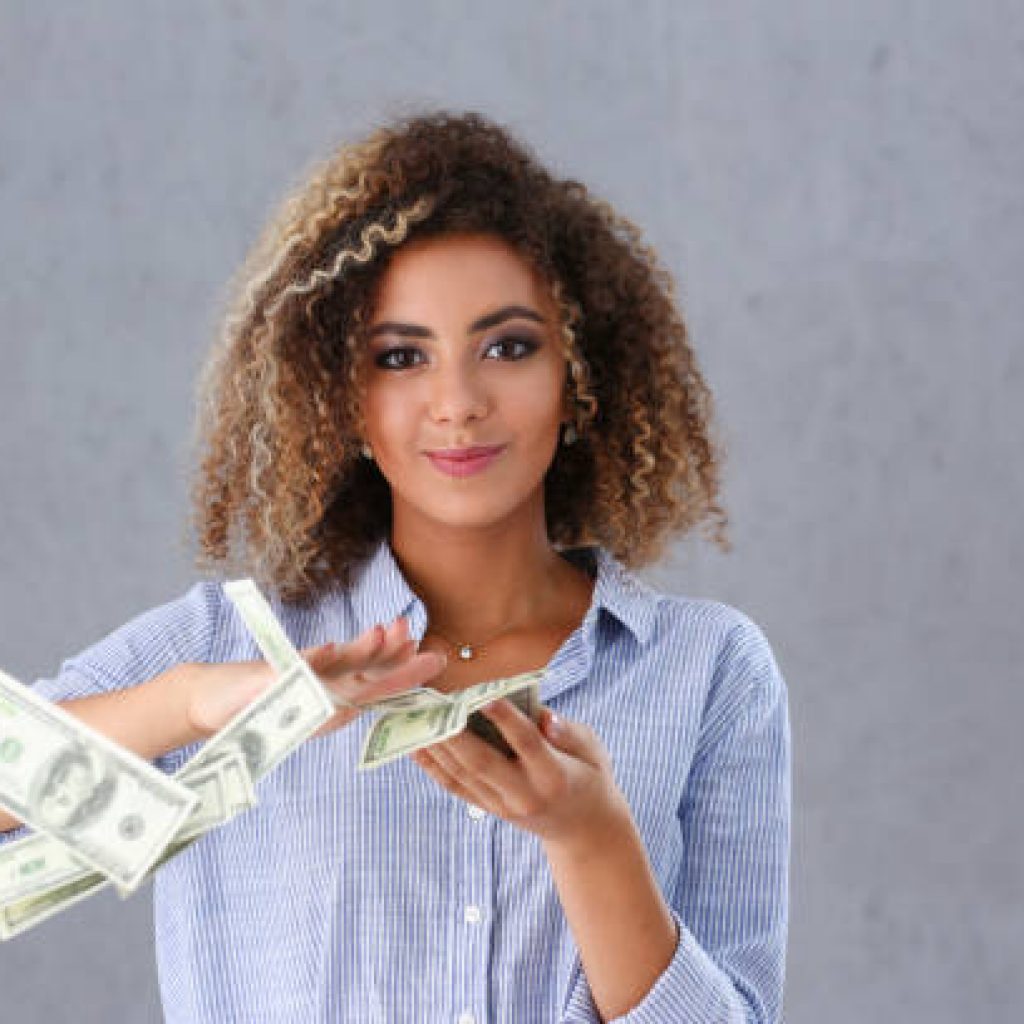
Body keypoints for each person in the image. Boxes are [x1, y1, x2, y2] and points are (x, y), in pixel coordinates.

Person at [0, 108, 791, 1023]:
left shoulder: (707, 672)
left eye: (507, 346)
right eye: (401, 357)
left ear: (578, 377)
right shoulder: (229, 647)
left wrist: (590, 840)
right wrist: (189, 705)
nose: (456, 403)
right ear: (342, 400)